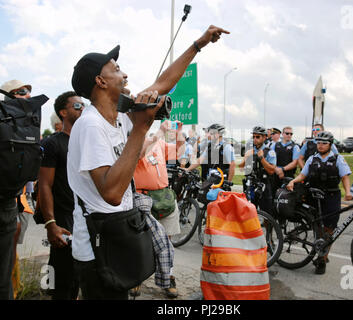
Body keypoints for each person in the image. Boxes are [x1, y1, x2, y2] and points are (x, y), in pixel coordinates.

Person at [67, 25, 229, 300]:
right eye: (116, 69)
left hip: (118, 237)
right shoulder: (91, 125)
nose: (125, 73)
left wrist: (198, 44)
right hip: (98, 249)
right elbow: (111, 194)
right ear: (100, 81)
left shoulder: (120, 116)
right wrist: (142, 129)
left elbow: (162, 83)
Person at [38, 91, 84, 300]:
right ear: (63, 112)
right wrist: (51, 223)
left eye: (84, 105)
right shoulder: (52, 143)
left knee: (79, 276)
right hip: (64, 218)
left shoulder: (88, 142)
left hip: (86, 218)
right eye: (77, 106)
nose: (82, 108)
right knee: (62, 279)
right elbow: (45, 185)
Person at [287, 131, 353, 275]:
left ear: (330, 145)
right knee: (317, 227)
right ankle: (320, 254)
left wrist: (348, 192)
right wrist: (293, 180)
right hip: (314, 196)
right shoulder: (312, 159)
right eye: (319, 143)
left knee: (329, 229)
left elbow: (345, 177)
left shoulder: (337, 159)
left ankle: (322, 258)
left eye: (324, 143)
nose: (321, 145)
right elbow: (303, 175)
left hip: (331, 196)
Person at [134, 120, 185, 298]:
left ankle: (167, 278)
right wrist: (159, 133)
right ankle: (136, 278)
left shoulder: (160, 143)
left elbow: (178, 152)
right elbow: (140, 154)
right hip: (143, 198)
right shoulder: (135, 142)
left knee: (167, 242)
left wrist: (179, 133)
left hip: (164, 197)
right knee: (140, 241)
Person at [0, 79, 34, 299]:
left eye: (29, 92)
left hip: (13, 203)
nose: (29, 96)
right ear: (9, 97)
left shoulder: (28, 126)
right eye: (22, 92)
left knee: (6, 271)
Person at [239, 126, 276, 213]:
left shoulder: (269, 152)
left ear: (264, 137)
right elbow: (240, 168)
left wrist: (262, 158)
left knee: (266, 212)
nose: (255, 139)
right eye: (254, 137)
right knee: (249, 212)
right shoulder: (250, 150)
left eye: (258, 137)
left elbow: (271, 171)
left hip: (264, 185)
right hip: (251, 185)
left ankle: (268, 226)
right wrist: (246, 157)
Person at [272, 126, 300, 191]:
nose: (289, 135)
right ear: (282, 134)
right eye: (287, 133)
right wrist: (277, 169)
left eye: (291, 134)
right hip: (275, 174)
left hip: (288, 176)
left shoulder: (295, 147)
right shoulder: (275, 145)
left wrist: (282, 169)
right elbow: (270, 160)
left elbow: (295, 162)